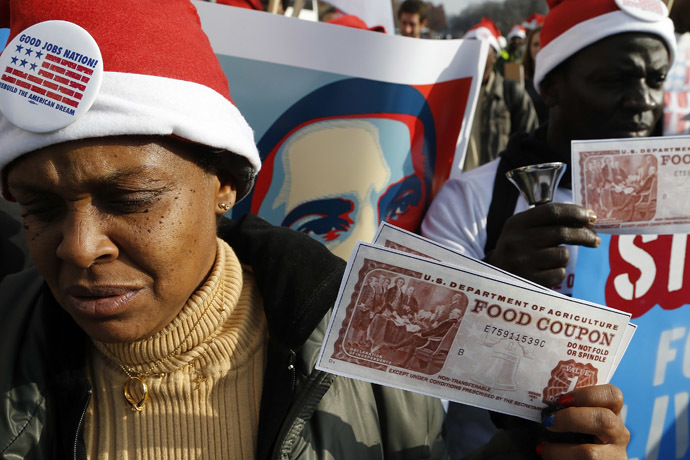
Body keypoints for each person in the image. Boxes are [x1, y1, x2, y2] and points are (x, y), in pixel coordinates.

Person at [0, 2, 632, 460]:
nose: (79, 247)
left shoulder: (373, 351)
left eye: (131, 199)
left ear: (225, 182)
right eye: (40, 208)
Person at [422, 0, 675, 457]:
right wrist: (490, 293)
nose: (643, 101)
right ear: (551, 86)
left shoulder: (682, 200)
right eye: (614, 79)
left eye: (655, 80)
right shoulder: (474, 202)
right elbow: (414, 378)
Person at [462, 17, 538, 171]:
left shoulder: (511, 92)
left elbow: (530, 144)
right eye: (470, 48)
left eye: (482, 49)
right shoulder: (452, 96)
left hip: (497, 186)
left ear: (494, 55)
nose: (475, 54)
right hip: (458, 188)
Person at [521, 25, 548, 123]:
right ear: (529, 49)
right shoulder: (521, 80)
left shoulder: (560, 78)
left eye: (543, 43)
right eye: (536, 44)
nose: (539, 48)